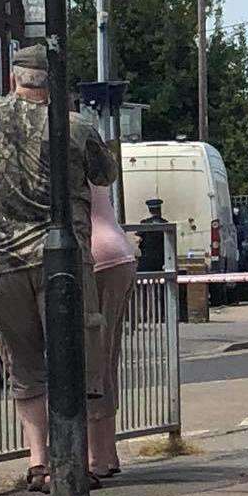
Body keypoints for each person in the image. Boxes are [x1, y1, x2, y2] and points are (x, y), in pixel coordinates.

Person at [0, 43, 117, 493]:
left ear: (14, 78)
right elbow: (104, 176)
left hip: (3, 259)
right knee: (75, 358)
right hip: (63, 259)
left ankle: (38, 461)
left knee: (24, 364)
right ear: (54, 84)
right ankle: (76, 458)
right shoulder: (77, 126)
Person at [88, 183, 137, 478]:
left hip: (91, 258)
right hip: (119, 255)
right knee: (107, 358)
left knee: (88, 361)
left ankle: (93, 456)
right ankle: (107, 451)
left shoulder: (58, 157)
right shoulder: (90, 155)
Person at [136, 199, 166, 273]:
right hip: (161, 262)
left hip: (146, 263)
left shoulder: (144, 224)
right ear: (160, 210)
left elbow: (137, 240)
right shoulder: (165, 224)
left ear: (149, 210)